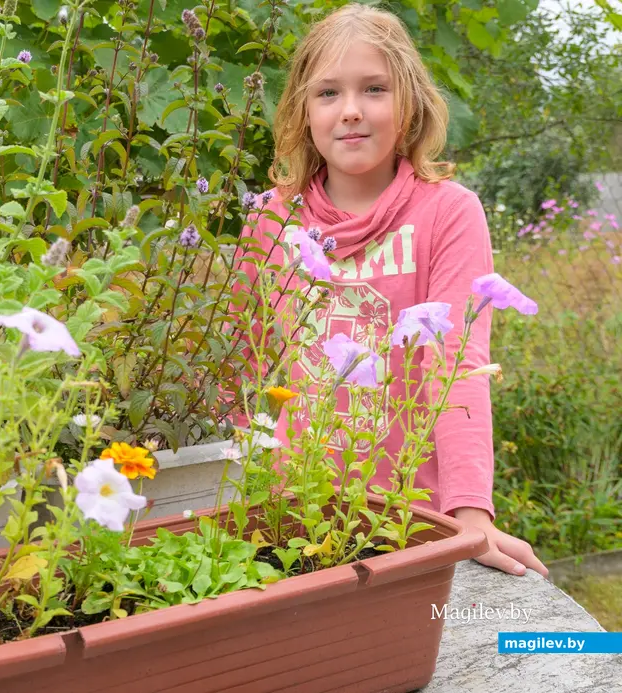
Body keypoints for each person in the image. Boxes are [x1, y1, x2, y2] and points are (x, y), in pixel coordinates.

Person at [236, 3, 548, 578]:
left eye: (374, 89)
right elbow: (240, 360)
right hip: (290, 513)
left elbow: (457, 362)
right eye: (327, 93)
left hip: (409, 521)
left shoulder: (447, 211)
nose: (351, 111)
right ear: (302, 111)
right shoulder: (271, 218)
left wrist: (470, 514)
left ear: (408, 105)